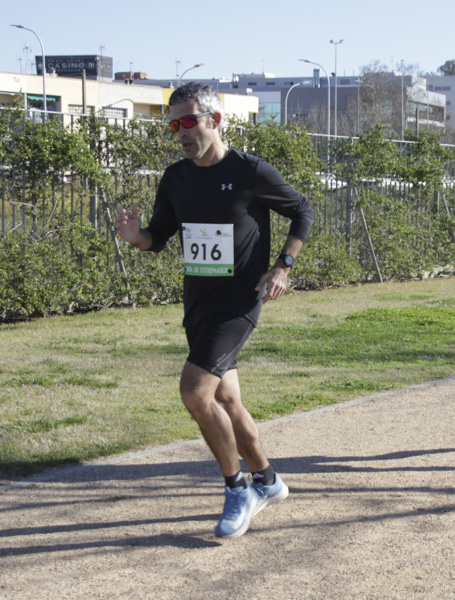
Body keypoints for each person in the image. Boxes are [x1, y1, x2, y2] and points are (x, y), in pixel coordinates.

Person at [115, 82, 314, 538]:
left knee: (194, 392)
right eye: (174, 124)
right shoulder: (176, 178)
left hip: (239, 302)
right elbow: (159, 235)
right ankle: (268, 479)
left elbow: (303, 211)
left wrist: (283, 266)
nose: (181, 132)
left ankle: (237, 487)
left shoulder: (251, 171)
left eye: (189, 121)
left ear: (214, 120)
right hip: (199, 303)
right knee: (227, 399)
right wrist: (136, 237)